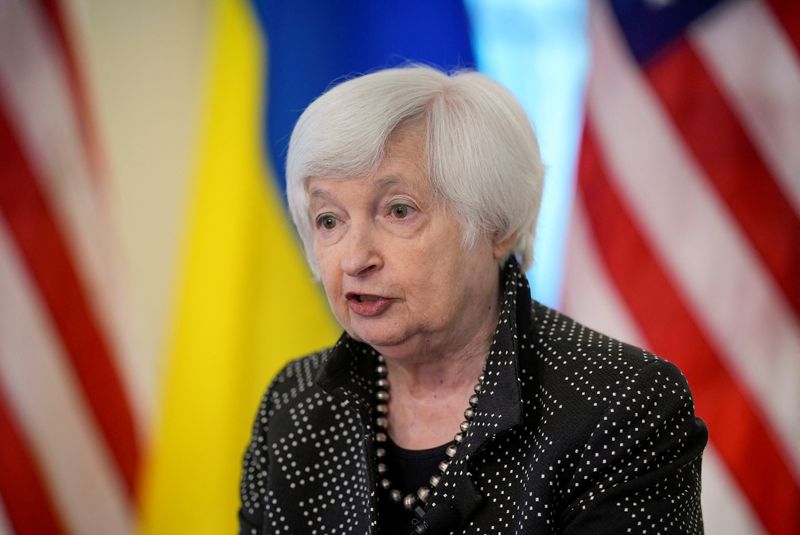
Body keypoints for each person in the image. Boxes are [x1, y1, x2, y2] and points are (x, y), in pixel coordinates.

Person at [238, 65, 707, 535]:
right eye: (328, 220)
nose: (355, 258)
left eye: (399, 210)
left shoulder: (620, 405)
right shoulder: (294, 403)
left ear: (497, 226)